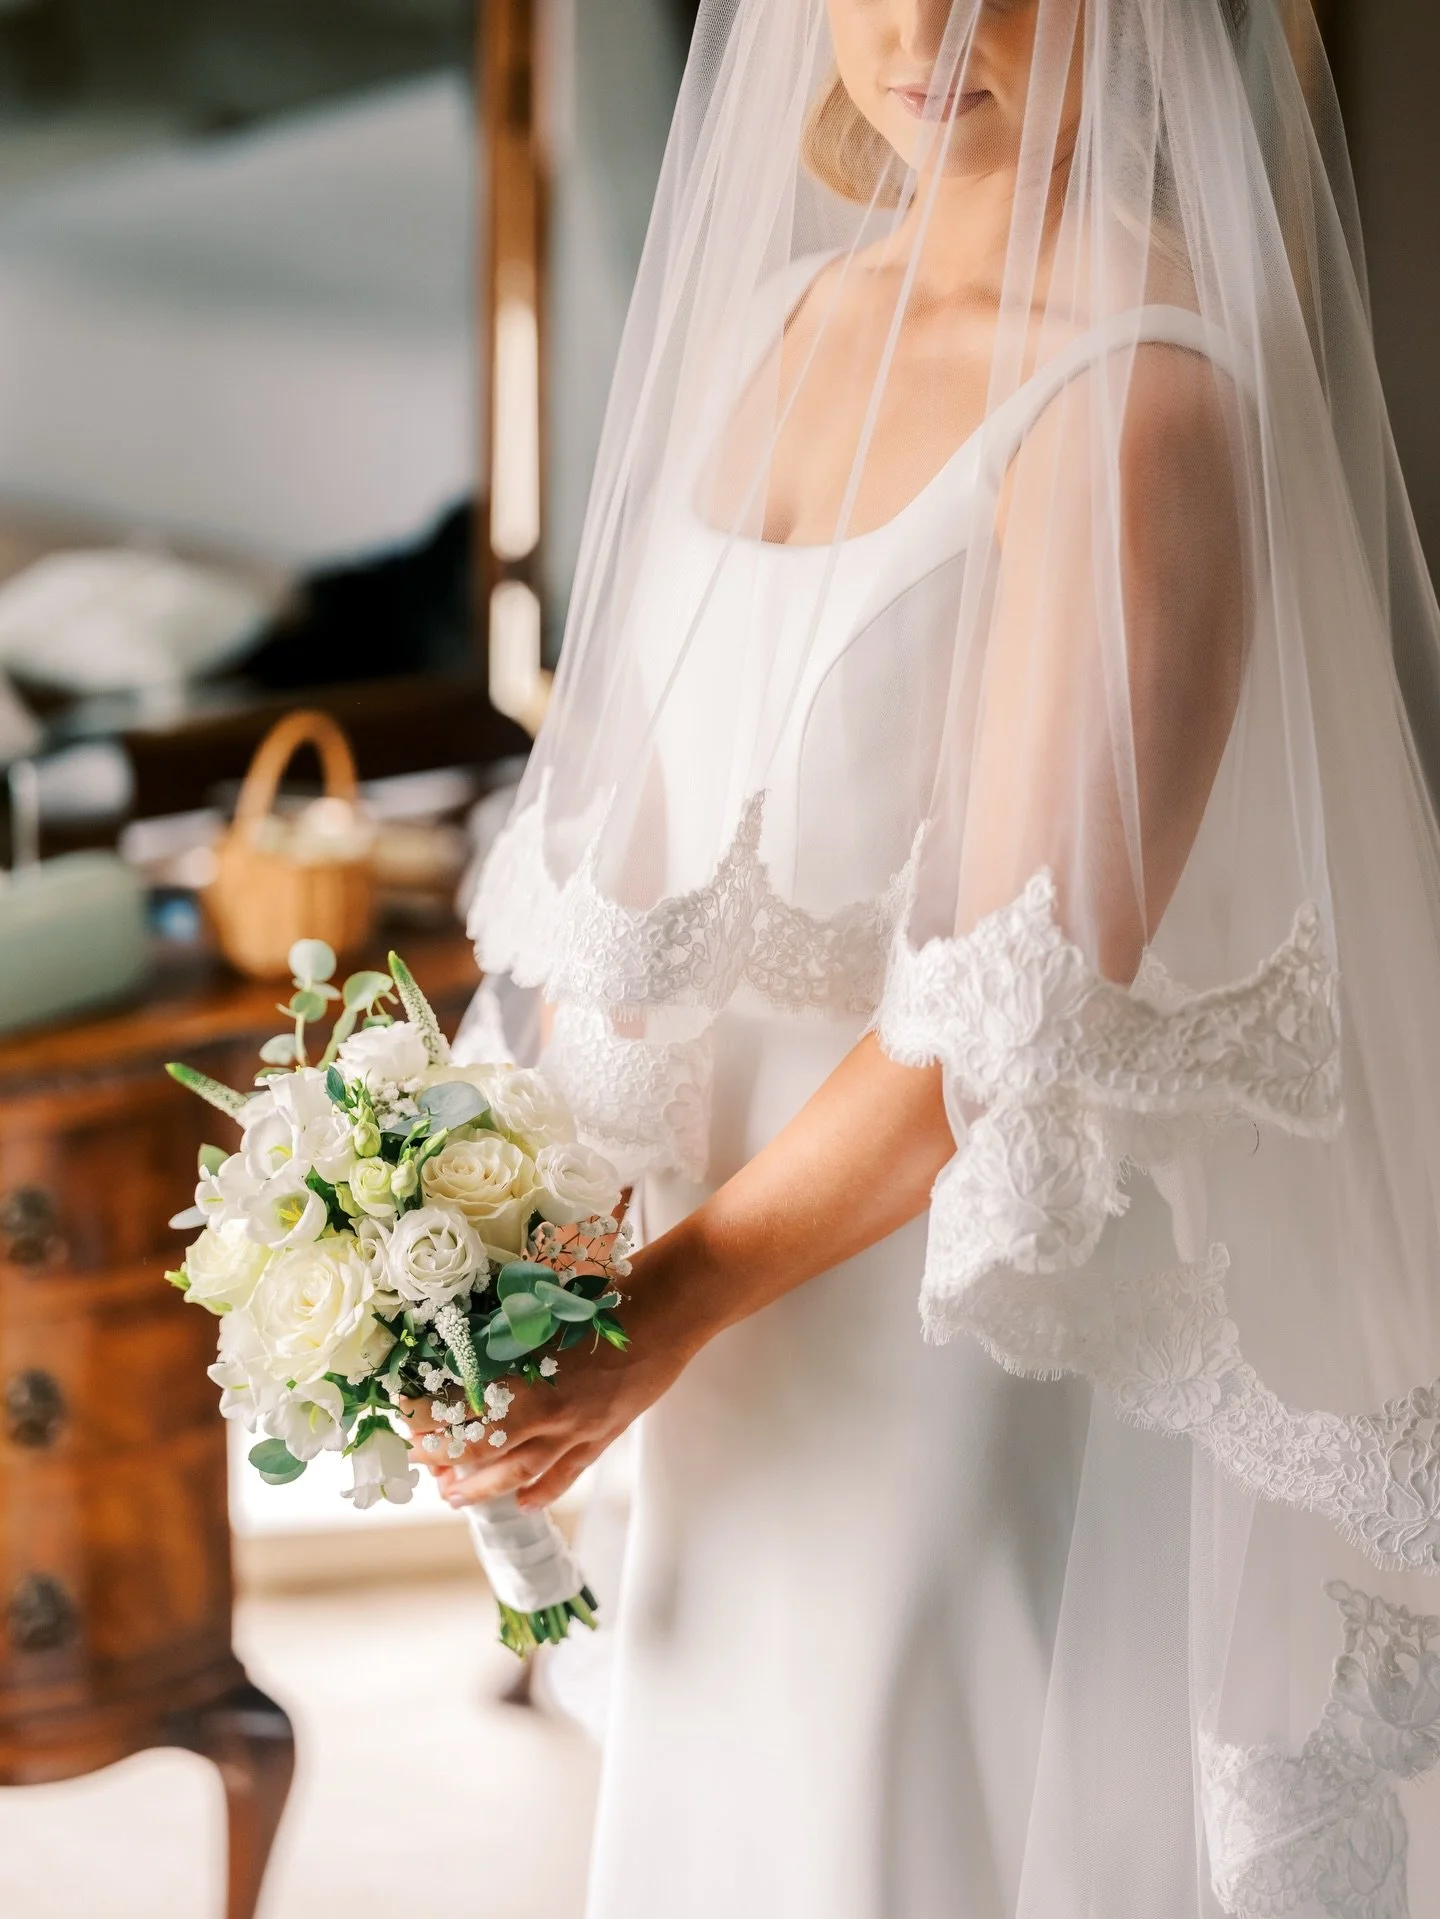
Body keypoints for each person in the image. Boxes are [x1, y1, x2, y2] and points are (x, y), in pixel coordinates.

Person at [437, 2, 1440, 1912]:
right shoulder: (768, 328)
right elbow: (622, 891)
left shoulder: (1140, 394)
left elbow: (1008, 1030)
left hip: (934, 1325)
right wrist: (525, 1281)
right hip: (705, 1324)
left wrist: (658, 1311)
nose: (927, 23)